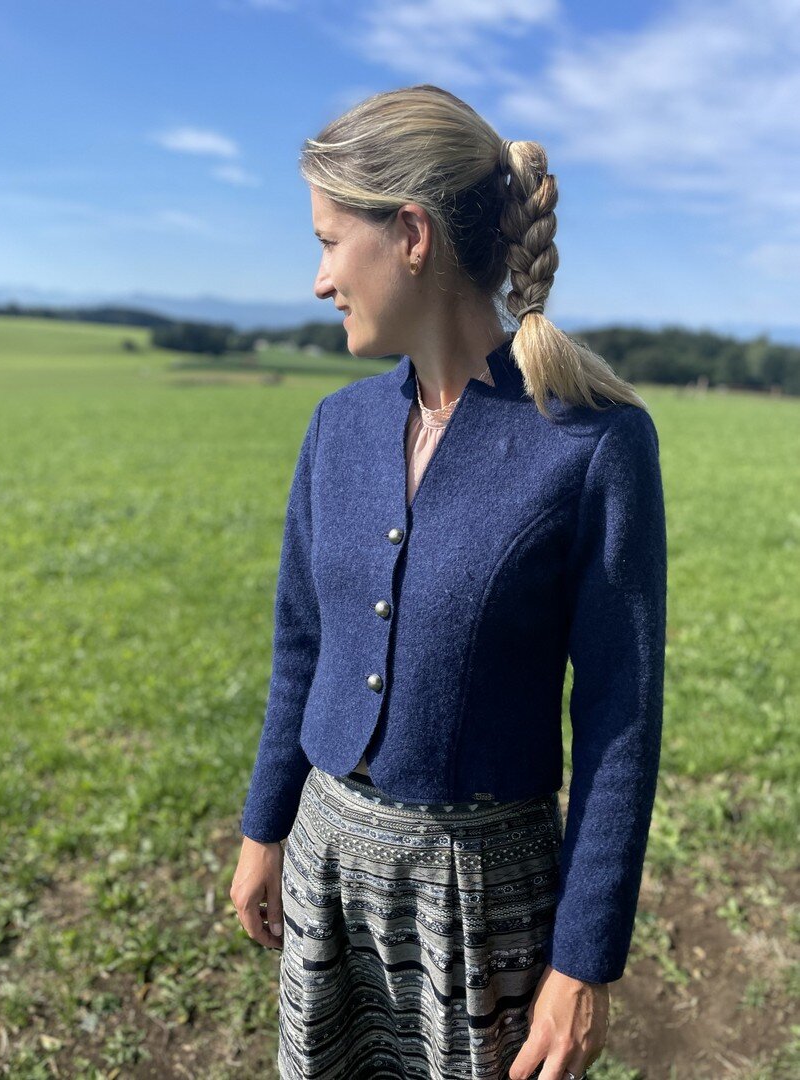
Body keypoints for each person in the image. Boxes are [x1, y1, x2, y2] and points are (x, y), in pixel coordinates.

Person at [230, 84, 667, 1080]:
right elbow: (302, 647)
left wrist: (583, 961)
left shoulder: (593, 445)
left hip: (486, 899)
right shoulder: (336, 429)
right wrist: (266, 828)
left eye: (329, 242)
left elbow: (620, 718)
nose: (319, 279)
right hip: (325, 862)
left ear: (412, 235)